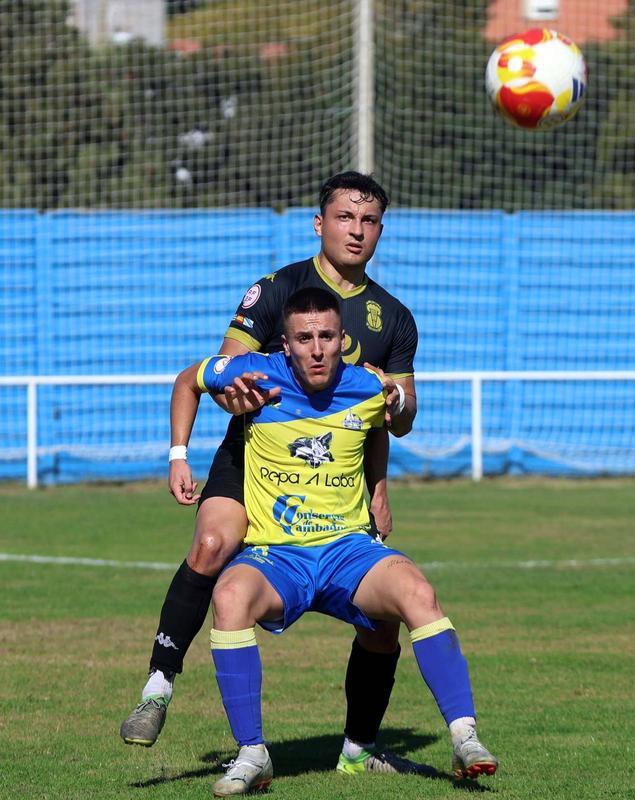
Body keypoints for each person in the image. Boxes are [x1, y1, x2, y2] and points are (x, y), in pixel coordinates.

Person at [121, 171, 424, 775]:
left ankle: (359, 747)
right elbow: (227, 369)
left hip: (336, 479)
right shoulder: (278, 288)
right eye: (345, 218)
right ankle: (158, 684)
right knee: (212, 543)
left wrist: (381, 481)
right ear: (320, 224)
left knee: (384, 611)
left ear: (380, 231)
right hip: (253, 456)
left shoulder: (392, 317)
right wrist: (187, 443)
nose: (356, 231)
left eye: (368, 222)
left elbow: (397, 418)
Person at [185, 287, 496, 795]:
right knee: (228, 595)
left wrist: (382, 478)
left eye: (326, 336)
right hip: (277, 553)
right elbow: (188, 379)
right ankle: (252, 754)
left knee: (417, 593)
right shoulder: (257, 377)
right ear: (285, 344)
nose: (316, 348)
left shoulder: (368, 387)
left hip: (348, 550)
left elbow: (393, 420)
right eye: (304, 338)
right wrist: (179, 454)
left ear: (342, 339)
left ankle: (464, 738)